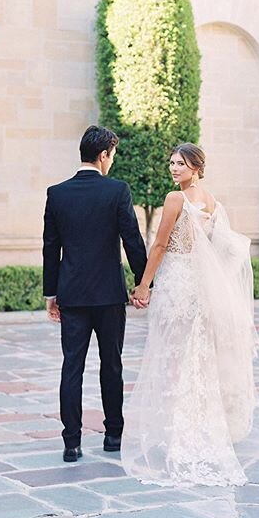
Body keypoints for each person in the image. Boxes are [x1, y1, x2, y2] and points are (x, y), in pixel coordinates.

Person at [122, 143, 258, 486]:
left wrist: (143, 285)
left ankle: (178, 430)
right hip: (199, 289)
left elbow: (160, 245)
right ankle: (197, 425)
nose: (173, 169)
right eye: (171, 163)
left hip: (177, 284)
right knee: (195, 356)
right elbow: (222, 250)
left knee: (171, 357)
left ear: (196, 167)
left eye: (180, 164)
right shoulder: (212, 201)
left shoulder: (175, 199)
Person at [43, 125, 147, 462]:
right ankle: (113, 434)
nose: (112, 162)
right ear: (103, 155)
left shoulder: (57, 193)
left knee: (71, 366)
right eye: (112, 155)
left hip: (71, 294)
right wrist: (145, 282)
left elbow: (50, 248)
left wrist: (51, 294)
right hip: (109, 295)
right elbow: (132, 239)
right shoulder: (117, 191)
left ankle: (71, 443)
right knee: (111, 364)